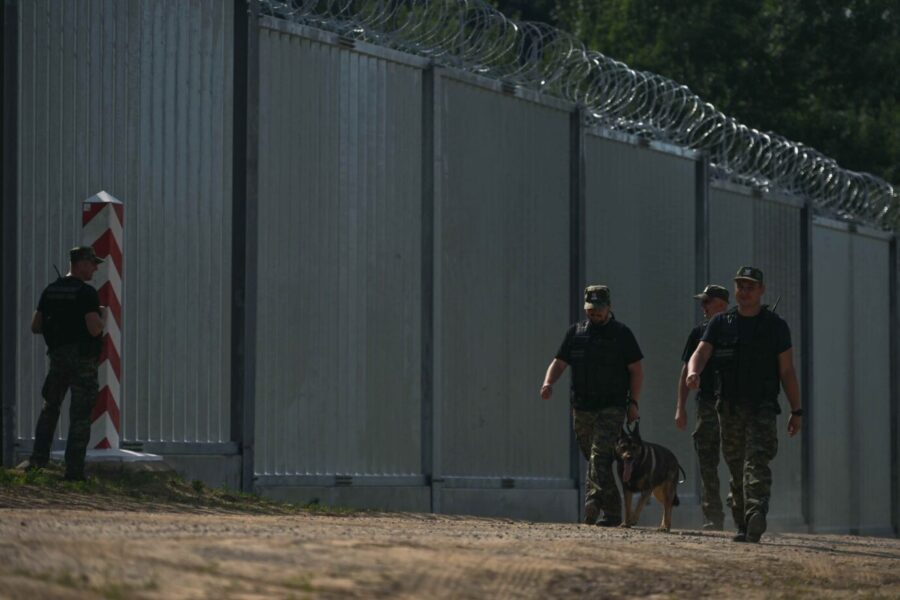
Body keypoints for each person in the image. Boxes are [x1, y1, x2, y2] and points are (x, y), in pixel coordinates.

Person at [686, 267, 802, 543]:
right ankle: (742, 520)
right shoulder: (721, 323)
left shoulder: (775, 326)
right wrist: (694, 371)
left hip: (761, 406)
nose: (745, 291)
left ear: (761, 290)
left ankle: (755, 511)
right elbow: (700, 353)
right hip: (728, 407)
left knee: (757, 461)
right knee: (736, 465)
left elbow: (787, 371)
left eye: (750, 286)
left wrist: (796, 410)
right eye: (740, 286)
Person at [541, 285, 643, 526]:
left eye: (598, 310)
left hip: (612, 407)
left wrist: (633, 403)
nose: (594, 315)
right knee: (596, 459)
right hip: (582, 407)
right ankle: (611, 511)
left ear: (609, 308)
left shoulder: (621, 334)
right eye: (590, 310)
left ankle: (594, 503)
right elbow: (559, 362)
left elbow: (636, 370)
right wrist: (548, 383)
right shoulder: (576, 333)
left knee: (599, 456)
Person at [19, 246, 106, 481]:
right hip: (82, 362)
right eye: (93, 263)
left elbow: (36, 326)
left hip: (58, 359)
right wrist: (102, 317)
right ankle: (74, 471)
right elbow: (94, 328)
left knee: (50, 408)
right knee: (80, 415)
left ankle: (37, 461)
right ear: (80, 264)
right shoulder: (86, 293)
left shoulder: (50, 291)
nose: (95, 268)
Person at [674, 284, 730, 530]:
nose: (703, 307)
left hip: (734, 404)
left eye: (707, 302)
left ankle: (742, 509)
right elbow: (686, 370)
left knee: (738, 457)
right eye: (703, 302)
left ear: (721, 303)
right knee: (707, 459)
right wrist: (681, 406)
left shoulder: (737, 328)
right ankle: (713, 515)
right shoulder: (699, 332)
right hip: (707, 403)